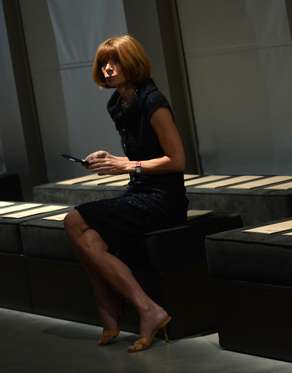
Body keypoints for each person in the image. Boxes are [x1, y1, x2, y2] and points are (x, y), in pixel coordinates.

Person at [63, 34, 188, 353]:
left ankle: (112, 309)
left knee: (73, 220)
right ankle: (138, 310)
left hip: (163, 199)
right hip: (138, 191)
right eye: (103, 63)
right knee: (89, 238)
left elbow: (177, 160)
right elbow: (135, 153)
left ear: (131, 62)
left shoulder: (152, 101)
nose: (107, 68)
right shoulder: (117, 103)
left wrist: (128, 165)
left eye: (114, 61)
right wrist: (109, 159)